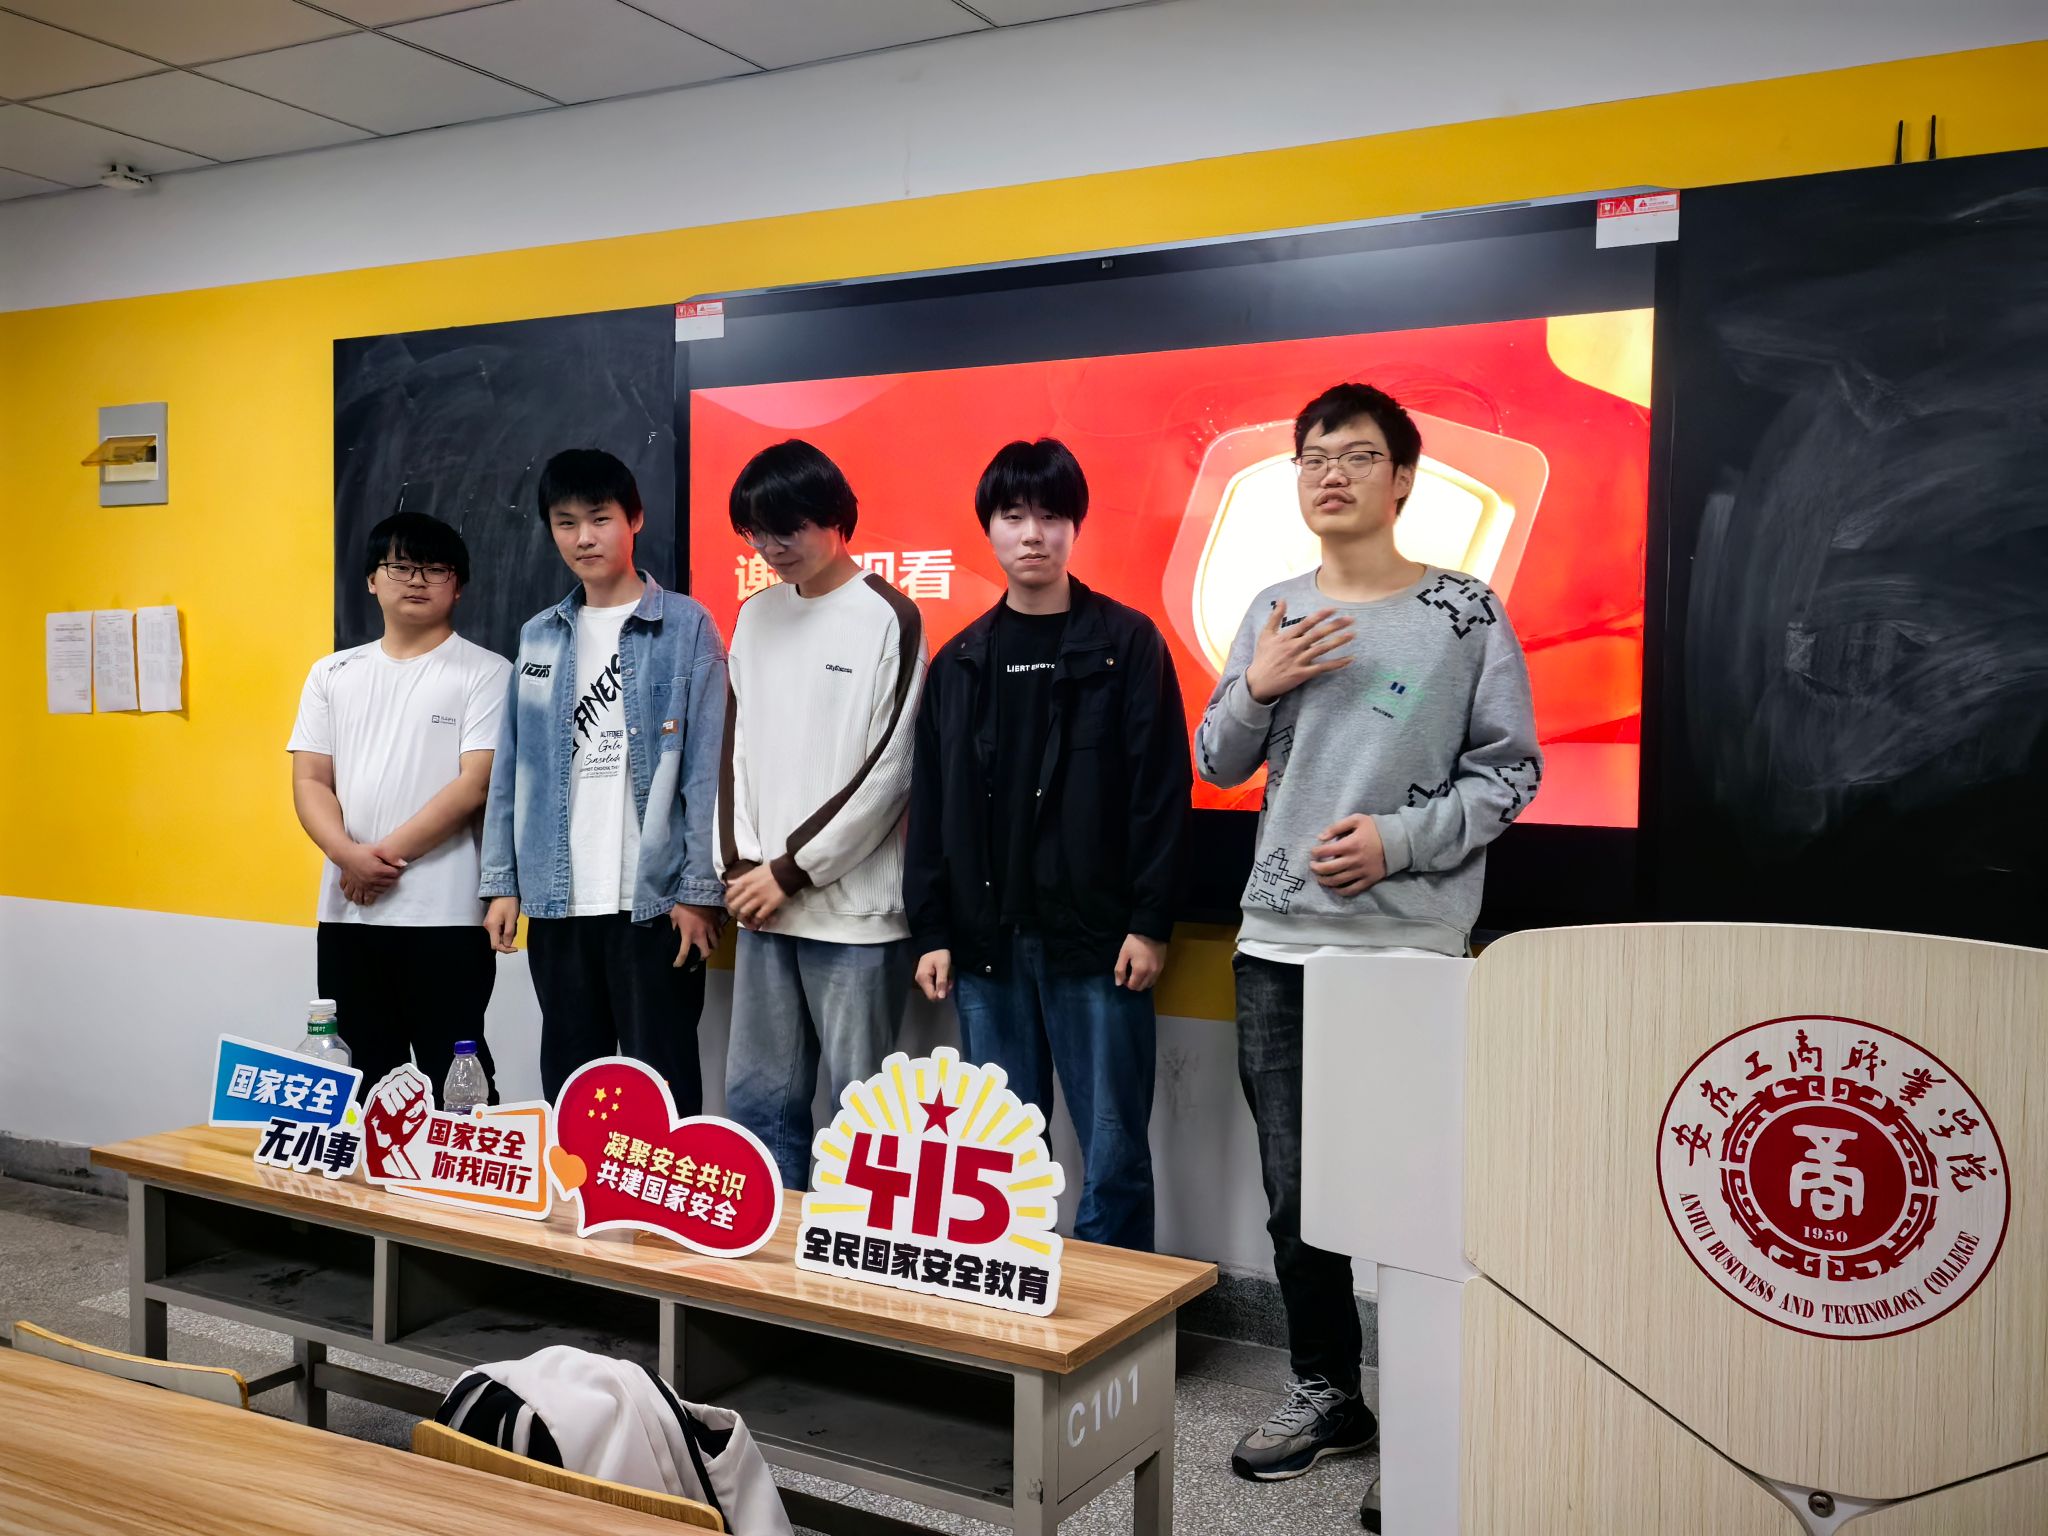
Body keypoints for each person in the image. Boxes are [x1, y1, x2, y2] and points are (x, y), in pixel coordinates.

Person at [1195, 383, 1541, 1484]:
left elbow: (1510, 773)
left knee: (1417, 1193)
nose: (1329, 474)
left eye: (1354, 455)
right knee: (1297, 1194)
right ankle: (1329, 1393)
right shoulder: (1272, 609)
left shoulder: (1464, 612)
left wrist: (1398, 842)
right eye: (1311, 457)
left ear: (1402, 479)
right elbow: (1215, 760)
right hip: (1276, 946)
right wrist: (1258, 686)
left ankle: (1434, 1422)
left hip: (1406, 948)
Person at [905, 439, 1188, 1250]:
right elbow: (931, 805)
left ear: (1075, 526)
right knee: (998, 1154)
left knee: (1115, 1150)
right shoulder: (960, 662)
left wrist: (1151, 922)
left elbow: (1162, 792)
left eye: (1051, 516)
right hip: (986, 946)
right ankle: (1011, 1296)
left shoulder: (1127, 644)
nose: (1033, 534)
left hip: (1098, 941)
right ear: (988, 529)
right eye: (1014, 516)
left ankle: (1113, 1308)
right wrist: (931, 929)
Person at [479, 449, 726, 1105]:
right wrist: (501, 884)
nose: (583, 537)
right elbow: (513, 769)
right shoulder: (539, 636)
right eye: (565, 523)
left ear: (634, 519)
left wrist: (700, 891)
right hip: (558, 902)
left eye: (599, 518)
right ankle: (575, 1181)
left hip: (654, 903)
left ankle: (661, 1183)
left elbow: (707, 770)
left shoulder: (686, 625)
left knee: (663, 1087)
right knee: (571, 1086)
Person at [718, 440, 926, 1191]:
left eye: (789, 528)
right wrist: (744, 868)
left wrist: (789, 870)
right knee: (757, 1106)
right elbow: (733, 753)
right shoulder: (754, 616)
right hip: (762, 907)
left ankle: (847, 1258)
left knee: (859, 1116)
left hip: (854, 915)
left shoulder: (888, 616)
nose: (773, 548)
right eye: (758, 533)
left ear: (836, 517)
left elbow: (890, 771)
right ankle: (762, 1258)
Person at [288, 511, 510, 1098]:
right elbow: (310, 780)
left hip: (447, 915)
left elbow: (475, 784)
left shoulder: (487, 672)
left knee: (456, 1078)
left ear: (458, 586)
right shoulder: (332, 673)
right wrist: (346, 856)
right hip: (348, 914)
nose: (416, 580)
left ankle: (463, 1167)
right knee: (359, 1080)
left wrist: (376, 860)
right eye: (400, 566)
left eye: (435, 569)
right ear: (371, 580)